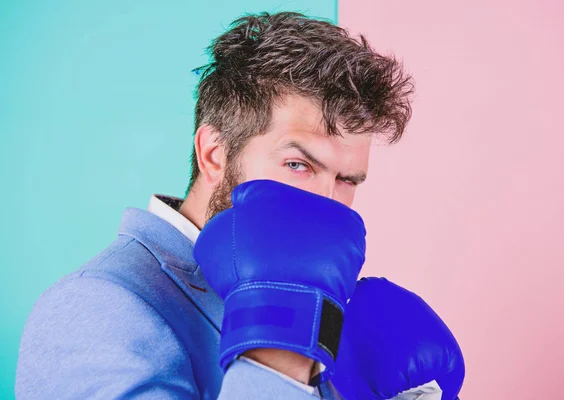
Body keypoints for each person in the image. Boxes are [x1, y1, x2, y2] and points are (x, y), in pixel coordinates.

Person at [15, 11, 464, 399]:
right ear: (214, 153)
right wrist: (281, 344)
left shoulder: (325, 305)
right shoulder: (96, 306)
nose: (328, 202)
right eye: (298, 164)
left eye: (347, 179)